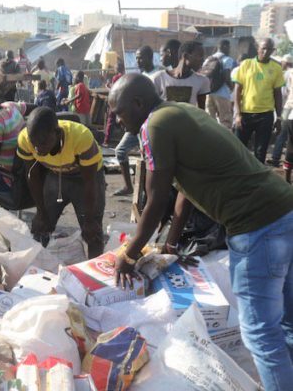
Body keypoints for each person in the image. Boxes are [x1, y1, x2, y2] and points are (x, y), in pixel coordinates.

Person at [108, 73, 293, 391]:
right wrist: (170, 243)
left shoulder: (154, 127)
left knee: (260, 333)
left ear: (138, 103)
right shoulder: (181, 111)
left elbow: (154, 200)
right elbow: (185, 192)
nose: (115, 118)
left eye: (119, 111)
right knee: (287, 322)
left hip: (255, 225)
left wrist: (129, 252)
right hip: (284, 209)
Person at [17, 107, 105, 257]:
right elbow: (33, 175)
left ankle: (94, 274)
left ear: (57, 133)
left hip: (84, 179)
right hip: (55, 175)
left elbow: (90, 183)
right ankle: (37, 270)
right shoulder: (25, 139)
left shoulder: (81, 138)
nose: (38, 150)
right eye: (34, 144)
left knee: (92, 233)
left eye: (43, 143)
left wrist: (89, 220)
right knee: (41, 227)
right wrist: (40, 211)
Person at [113, 50, 160, 197]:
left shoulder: (157, 76)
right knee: (123, 151)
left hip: (148, 122)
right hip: (136, 122)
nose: (138, 61)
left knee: (149, 158)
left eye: (141, 58)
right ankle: (131, 187)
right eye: (137, 58)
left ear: (150, 58)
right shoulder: (140, 76)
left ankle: (146, 192)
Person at [233, 38, 284, 164]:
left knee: (260, 152)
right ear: (258, 48)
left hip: (265, 116)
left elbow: (278, 94)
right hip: (245, 114)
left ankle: (257, 180)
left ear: (273, 50)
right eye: (263, 48)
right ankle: (239, 177)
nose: (266, 51)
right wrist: (238, 114)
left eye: (269, 49)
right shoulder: (246, 64)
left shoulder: (276, 68)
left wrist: (279, 117)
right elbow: (237, 91)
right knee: (239, 148)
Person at [151, 41, 210, 109]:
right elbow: (152, 108)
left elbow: (201, 112)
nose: (203, 60)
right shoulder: (159, 78)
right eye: (200, 56)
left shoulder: (202, 81)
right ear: (186, 56)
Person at [204, 39, 235, 129]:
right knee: (225, 120)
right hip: (222, 93)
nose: (230, 50)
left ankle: (211, 140)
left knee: (210, 120)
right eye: (229, 47)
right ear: (224, 47)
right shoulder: (227, 59)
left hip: (209, 93)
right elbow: (226, 76)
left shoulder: (208, 59)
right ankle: (225, 141)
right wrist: (231, 87)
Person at [271, 54, 293, 166]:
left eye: (282, 63)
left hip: (287, 107)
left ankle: (275, 157)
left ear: (286, 63)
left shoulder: (286, 74)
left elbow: (283, 93)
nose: (281, 64)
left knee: (282, 133)